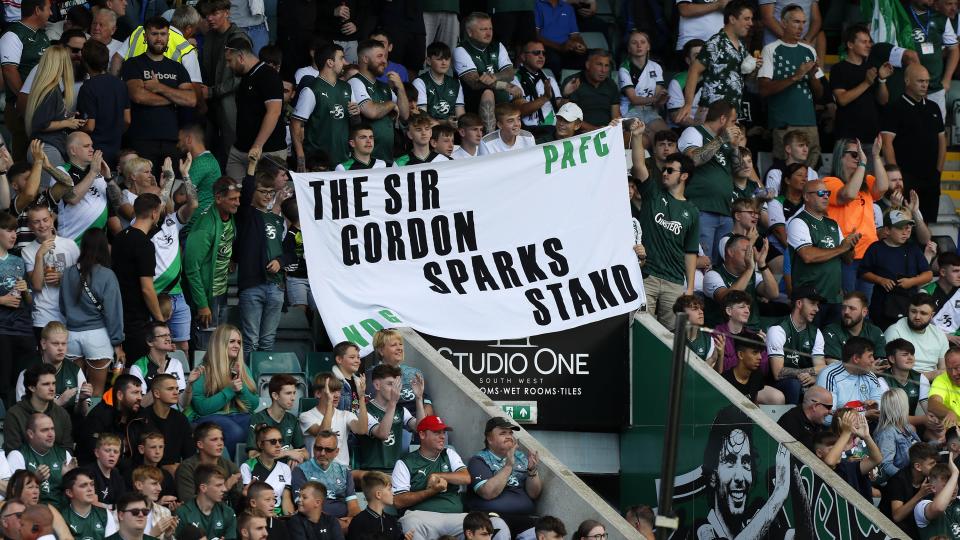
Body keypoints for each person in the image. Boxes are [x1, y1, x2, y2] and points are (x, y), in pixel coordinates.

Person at [629, 121, 699, 330]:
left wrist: (691, 288)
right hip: (646, 276)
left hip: (674, 282)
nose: (665, 173)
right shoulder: (653, 193)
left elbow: (690, 252)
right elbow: (639, 165)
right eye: (665, 169)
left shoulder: (692, 211)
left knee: (672, 337)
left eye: (671, 170)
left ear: (684, 176)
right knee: (641, 329)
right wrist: (637, 136)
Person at [393, 416, 509, 540]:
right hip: (422, 518)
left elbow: (466, 478)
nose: (442, 436)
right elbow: (398, 501)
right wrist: (431, 491)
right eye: (437, 432)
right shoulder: (405, 462)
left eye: (443, 432)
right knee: (409, 524)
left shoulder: (448, 454)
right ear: (422, 435)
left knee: (497, 524)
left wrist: (437, 475)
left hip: (455, 518)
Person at [697, 406, 790, 539]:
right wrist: (779, 493)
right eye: (730, 461)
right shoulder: (701, 530)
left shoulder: (757, 520)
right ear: (712, 476)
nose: (740, 477)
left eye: (746, 462)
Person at [120, 17, 196, 177]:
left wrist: (159, 87)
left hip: (172, 140)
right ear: (145, 37)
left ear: (168, 36)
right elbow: (138, 96)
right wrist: (174, 97)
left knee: (170, 189)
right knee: (143, 187)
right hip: (141, 138)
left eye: (163, 34)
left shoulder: (177, 67)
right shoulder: (133, 64)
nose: (159, 38)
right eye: (154, 34)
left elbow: (191, 99)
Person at [235, 156, 291, 354]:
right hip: (252, 285)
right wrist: (251, 166)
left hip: (276, 286)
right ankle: (250, 384)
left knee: (268, 342)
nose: (268, 196)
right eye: (263, 192)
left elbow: (288, 251)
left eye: (270, 192)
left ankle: (264, 384)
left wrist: (279, 261)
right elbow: (248, 190)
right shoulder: (246, 215)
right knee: (250, 342)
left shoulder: (276, 219)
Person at [757, 5, 824, 164]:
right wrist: (796, 76)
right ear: (783, 23)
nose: (801, 27)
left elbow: (820, 94)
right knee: (786, 173)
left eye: (803, 22)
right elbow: (763, 90)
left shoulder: (809, 50)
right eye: (796, 22)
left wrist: (812, 77)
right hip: (784, 124)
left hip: (809, 123)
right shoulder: (770, 50)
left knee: (810, 175)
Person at [787, 178, 860, 325]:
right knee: (809, 343)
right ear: (806, 196)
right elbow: (807, 255)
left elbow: (848, 259)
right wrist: (841, 248)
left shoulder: (832, 223)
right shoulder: (798, 222)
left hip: (834, 298)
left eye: (827, 192)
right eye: (821, 193)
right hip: (810, 299)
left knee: (831, 344)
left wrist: (850, 245)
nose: (826, 196)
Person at [881, 63, 946, 223]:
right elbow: (887, 143)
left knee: (929, 225)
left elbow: (942, 141)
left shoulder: (934, 107)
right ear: (907, 81)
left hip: (931, 179)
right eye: (920, 81)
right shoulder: (894, 108)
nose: (925, 85)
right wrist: (897, 177)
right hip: (907, 179)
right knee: (905, 224)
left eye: (927, 81)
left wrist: (938, 172)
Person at [678, 99, 741, 261]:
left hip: (725, 212)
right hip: (702, 209)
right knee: (703, 262)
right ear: (722, 119)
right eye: (733, 121)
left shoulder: (725, 142)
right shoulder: (695, 132)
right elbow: (694, 159)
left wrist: (735, 147)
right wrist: (720, 140)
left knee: (722, 264)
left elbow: (740, 172)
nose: (736, 126)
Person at [674, 1, 755, 125]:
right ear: (732, 19)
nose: (751, 23)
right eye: (746, 19)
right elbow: (694, 70)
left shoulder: (741, 46)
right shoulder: (715, 43)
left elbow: (743, 77)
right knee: (709, 145)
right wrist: (688, 104)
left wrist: (755, 68)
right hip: (711, 112)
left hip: (731, 112)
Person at [183, 176, 240, 348]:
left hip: (221, 289)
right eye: (232, 199)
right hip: (207, 294)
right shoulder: (205, 226)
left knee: (219, 342)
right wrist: (202, 304)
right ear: (218, 198)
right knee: (206, 344)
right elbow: (191, 268)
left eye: (238, 198)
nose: (237, 203)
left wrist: (228, 258)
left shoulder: (228, 215)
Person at [189, 324, 259, 457]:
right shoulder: (204, 369)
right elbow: (201, 408)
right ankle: (231, 470)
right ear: (219, 344)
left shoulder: (242, 367)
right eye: (231, 341)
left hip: (239, 415)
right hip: (209, 417)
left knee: (260, 428)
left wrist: (241, 389)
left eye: (239, 342)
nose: (237, 346)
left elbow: (254, 405)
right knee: (235, 432)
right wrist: (230, 390)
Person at [224, 38, 286, 183]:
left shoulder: (269, 76)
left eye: (229, 61)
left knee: (264, 198)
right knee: (234, 196)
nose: (228, 66)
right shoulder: (246, 78)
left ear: (240, 57)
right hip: (240, 150)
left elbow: (274, 112)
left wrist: (257, 146)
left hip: (267, 152)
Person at [465, 417, 541, 535]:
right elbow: (488, 493)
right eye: (503, 433)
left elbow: (534, 494)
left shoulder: (521, 457)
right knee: (502, 529)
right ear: (490, 439)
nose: (509, 436)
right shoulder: (479, 460)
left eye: (510, 433)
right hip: (491, 519)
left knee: (546, 533)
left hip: (524, 518)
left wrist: (532, 470)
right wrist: (508, 465)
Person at [112, 193, 164, 363]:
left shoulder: (119, 237)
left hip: (117, 312)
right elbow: (147, 288)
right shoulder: (145, 244)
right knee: (137, 370)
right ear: (154, 213)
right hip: (136, 319)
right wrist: (160, 320)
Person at [859, 208, 932, 329]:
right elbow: (863, 272)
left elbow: (928, 274)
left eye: (908, 228)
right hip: (882, 306)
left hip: (909, 305)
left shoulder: (913, 248)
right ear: (887, 230)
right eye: (900, 228)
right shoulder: (876, 248)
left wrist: (912, 282)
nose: (906, 232)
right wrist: (880, 280)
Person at [20, 196, 79, 340]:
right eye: (36, 222)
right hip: (43, 315)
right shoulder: (27, 250)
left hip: (71, 313)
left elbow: (83, 277)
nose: (42, 225)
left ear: (52, 219)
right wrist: (40, 255)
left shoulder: (69, 244)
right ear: (30, 226)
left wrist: (63, 278)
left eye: (45, 220)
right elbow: (37, 286)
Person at [0, 0, 51, 159]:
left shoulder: (42, 34)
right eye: (48, 9)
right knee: (22, 156)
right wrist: (27, 102)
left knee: (41, 154)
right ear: (38, 10)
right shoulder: (13, 34)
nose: (51, 13)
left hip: (42, 106)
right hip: (20, 109)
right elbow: (9, 71)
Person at [454, 12, 521, 133]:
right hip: (473, 102)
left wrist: (494, 76)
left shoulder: (497, 46)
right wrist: (504, 85)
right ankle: (489, 138)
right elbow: (474, 82)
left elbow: (510, 73)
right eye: (483, 29)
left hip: (502, 100)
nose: (489, 33)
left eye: (490, 28)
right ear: (469, 32)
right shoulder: (461, 50)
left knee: (519, 94)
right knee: (487, 93)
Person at [291, 43, 354, 171]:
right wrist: (301, 156)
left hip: (344, 159)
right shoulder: (312, 89)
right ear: (330, 62)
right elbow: (295, 124)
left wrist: (356, 114)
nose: (346, 62)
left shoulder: (346, 87)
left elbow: (354, 122)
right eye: (341, 58)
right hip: (318, 163)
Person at [348, 39, 409, 164]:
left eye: (385, 57)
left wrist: (401, 88)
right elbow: (371, 111)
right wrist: (392, 104)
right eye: (379, 56)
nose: (385, 61)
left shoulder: (384, 86)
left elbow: (405, 115)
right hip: (366, 160)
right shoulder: (355, 82)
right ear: (365, 59)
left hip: (386, 157)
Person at [23, 46, 79, 179]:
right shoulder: (51, 90)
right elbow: (43, 124)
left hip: (44, 149)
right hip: (48, 150)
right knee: (49, 195)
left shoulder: (46, 88)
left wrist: (68, 119)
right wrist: (66, 123)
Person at [830, 25, 892, 145]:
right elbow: (842, 99)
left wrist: (882, 80)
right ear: (850, 45)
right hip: (848, 137)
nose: (869, 45)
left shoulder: (872, 68)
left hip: (872, 136)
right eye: (864, 42)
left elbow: (883, 101)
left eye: (869, 42)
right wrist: (867, 83)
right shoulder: (838, 69)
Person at [355, 366, 424, 473]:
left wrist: (419, 398)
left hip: (397, 470)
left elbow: (420, 428)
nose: (395, 389)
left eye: (397, 385)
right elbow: (382, 434)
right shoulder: (364, 411)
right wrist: (393, 403)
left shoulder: (401, 410)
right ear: (377, 385)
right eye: (390, 384)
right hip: (373, 472)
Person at [13, 322, 91, 416]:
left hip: (69, 427)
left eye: (64, 343)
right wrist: (58, 403)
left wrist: (82, 400)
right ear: (43, 344)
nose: (60, 348)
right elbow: (23, 413)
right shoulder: (28, 371)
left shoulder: (75, 371)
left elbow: (82, 414)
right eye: (55, 344)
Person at [702, 233, 779, 327]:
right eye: (746, 250)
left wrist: (762, 264)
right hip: (724, 334)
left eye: (751, 251)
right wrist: (750, 269)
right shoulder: (712, 275)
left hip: (752, 330)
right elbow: (727, 300)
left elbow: (774, 294)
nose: (750, 255)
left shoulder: (752, 274)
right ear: (730, 252)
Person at [767, 286, 826, 404]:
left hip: (804, 381)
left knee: (821, 383)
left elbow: (822, 367)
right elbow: (778, 373)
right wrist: (804, 374)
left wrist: (812, 378)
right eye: (813, 304)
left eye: (817, 305)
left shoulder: (816, 333)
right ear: (799, 303)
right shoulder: (778, 330)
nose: (817, 309)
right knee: (794, 384)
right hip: (779, 384)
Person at [54, 133, 112, 244]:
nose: (92, 150)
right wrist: (93, 172)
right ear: (73, 151)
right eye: (86, 146)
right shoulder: (61, 170)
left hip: (98, 244)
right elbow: (72, 199)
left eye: (92, 146)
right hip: (72, 242)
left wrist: (109, 178)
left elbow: (117, 203)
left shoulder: (99, 172)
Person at [291, 430, 359, 525]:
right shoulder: (301, 471)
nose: (322, 453)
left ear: (336, 452)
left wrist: (352, 521)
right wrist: (336, 524)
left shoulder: (344, 471)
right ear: (313, 448)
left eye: (328, 450)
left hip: (344, 522)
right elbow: (305, 506)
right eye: (318, 448)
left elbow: (353, 505)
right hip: (316, 523)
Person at [300, 373, 368, 468]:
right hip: (318, 471)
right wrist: (329, 403)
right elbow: (324, 433)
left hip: (342, 471)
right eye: (331, 391)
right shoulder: (306, 416)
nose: (337, 395)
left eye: (338, 391)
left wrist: (361, 397)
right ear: (318, 393)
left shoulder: (346, 415)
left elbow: (363, 430)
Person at [815, 336, 887, 424]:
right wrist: (863, 415)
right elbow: (826, 417)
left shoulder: (870, 375)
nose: (873, 360)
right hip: (837, 433)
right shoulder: (830, 376)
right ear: (856, 358)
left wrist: (875, 405)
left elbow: (881, 405)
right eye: (870, 356)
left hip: (867, 429)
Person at [7, 413, 75, 506]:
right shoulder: (18, 455)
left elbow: (76, 491)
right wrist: (35, 479)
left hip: (63, 511)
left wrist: (67, 479)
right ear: (31, 434)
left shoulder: (63, 454)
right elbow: (13, 493)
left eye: (52, 429)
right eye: (44, 430)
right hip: (33, 512)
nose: (51, 434)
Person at [0, 212, 33, 403]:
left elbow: (28, 300)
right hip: (2, 330)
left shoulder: (18, 261)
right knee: (5, 382)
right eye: (9, 230)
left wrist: (25, 290)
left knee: (26, 379)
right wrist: (2, 300)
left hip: (23, 329)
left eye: (15, 230)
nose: (14, 235)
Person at [78, 374, 144, 466]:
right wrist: (123, 446)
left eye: (141, 393)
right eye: (135, 393)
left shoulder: (141, 416)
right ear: (120, 395)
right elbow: (93, 451)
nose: (140, 397)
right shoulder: (99, 414)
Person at [4, 365, 73, 453]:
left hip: (57, 465)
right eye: (46, 384)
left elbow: (67, 449)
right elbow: (12, 452)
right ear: (32, 387)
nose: (52, 388)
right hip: (25, 465)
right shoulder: (14, 414)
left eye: (53, 383)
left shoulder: (62, 414)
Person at [365, 329, 433, 417]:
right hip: (392, 424)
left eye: (400, 344)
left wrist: (426, 423)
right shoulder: (371, 375)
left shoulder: (414, 372)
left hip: (418, 423)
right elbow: (375, 406)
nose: (399, 348)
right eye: (393, 345)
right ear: (381, 351)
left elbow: (426, 400)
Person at [814, 413, 882, 500]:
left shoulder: (847, 466)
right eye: (833, 449)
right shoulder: (815, 469)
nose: (840, 451)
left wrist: (866, 436)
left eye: (839, 447)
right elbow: (829, 462)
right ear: (819, 453)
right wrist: (846, 432)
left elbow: (876, 459)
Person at [879, 441, 938, 539]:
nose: (935, 466)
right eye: (931, 464)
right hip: (893, 532)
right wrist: (920, 494)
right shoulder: (898, 480)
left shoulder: (929, 477)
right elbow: (897, 516)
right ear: (918, 467)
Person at [140, 374, 196, 473]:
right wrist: (164, 467)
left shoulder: (181, 419)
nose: (176, 392)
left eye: (177, 389)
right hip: (147, 472)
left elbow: (190, 455)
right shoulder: (142, 418)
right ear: (156, 393)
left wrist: (181, 469)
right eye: (170, 389)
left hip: (176, 471)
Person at [129, 322, 193, 408]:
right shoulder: (138, 367)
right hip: (150, 417)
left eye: (169, 335)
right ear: (150, 342)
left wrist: (190, 384)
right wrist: (159, 381)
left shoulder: (176, 363)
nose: (168, 339)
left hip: (173, 415)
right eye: (162, 336)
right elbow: (141, 405)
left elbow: (183, 404)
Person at [174, 423, 242, 503]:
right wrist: (225, 488)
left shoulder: (231, 467)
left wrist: (246, 496)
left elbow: (238, 503)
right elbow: (188, 502)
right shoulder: (187, 468)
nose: (220, 443)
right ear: (200, 444)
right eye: (214, 439)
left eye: (221, 439)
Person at [618, 31, 667, 143]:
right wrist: (656, 99)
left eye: (643, 42)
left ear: (648, 46)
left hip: (651, 111)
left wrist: (662, 100)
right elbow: (634, 99)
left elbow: (657, 101)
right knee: (649, 138)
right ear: (629, 48)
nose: (639, 46)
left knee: (666, 136)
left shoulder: (656, 67)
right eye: (634, 43)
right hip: (630, 111)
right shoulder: (624, 68)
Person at [246, 374, 307, 462]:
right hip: (264, 471)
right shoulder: (258, 418)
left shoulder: (292, 419)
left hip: (285, 471)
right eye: (288, 393)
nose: (293, 398)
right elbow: (252, 455)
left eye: (294, 393)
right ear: (275, 396)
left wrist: (295, 459)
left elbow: (305, 453)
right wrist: (286, 453)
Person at [885, 293, 949, 376]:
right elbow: (888, 368)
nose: (917, 317)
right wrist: (928, 376)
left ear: (932, 315)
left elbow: (943, 368)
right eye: (913, 311)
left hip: (935, 383)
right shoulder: (894, 331)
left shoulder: (939, 334)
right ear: (908, 311)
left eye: (923, 313)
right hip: (905, 382)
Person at [509, 39, 560, 141]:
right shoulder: (514, 79)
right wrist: (545, 98)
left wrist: (569, 95)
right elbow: (520, 110)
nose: (541, 56)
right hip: (530, 132)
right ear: (523, 56)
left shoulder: (550, 79)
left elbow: (560, 107)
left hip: (554, 130)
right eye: (536, 53)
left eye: (543, 53)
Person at [560, 49, 620, 132]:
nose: (603, 70)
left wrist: (611, 130)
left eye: (606, 66)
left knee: (642, 138)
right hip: (581, 133)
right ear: (588, 65)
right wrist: (596, 130)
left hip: (608, 132)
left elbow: (616, 116)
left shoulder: (611, 84)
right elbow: (568, 115)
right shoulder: (573, 82)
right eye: (599, 64)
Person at [241, 425, 294, 516]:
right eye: (273, 441)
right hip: (258, 516)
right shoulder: (247, 466)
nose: (278, 445)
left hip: (279, 518)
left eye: (280, 441)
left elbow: (286, 499)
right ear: (260, 444)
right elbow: (249, 502)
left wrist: (290, 517)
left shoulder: (285, 468)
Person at [822, 291, 888, 364]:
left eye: (852, 308)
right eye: (843, 308)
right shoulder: (831, 330)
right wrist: (866, 369)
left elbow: (881, 362)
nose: (846, 312)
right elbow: (832, 363)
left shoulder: (875, 332)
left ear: (864, 312)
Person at [175, 464, 237, 539]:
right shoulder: (183, 514)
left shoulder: (227, 513)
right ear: (203, 488)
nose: (224, 489)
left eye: (223, 484)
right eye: (219, 485)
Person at [875, 388, 922, 484]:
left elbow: (922, 451)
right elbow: (886, 465)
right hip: (902, 484)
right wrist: (908, 480)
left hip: (918, 475)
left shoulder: (907, 426)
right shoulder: (887, 433)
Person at [346, 471, 405, 540]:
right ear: (378, 495)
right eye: (389, 489)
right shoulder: (359, 522)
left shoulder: (392, 521)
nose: (393, 492)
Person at [916, 459, 960, 537]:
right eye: (947, 485)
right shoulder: (921, 506)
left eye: (954, 483)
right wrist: (955, 473)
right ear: (933, 488)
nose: (954, 488)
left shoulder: (958, 500)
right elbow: (939, 507)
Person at [130, 466, 177, 539]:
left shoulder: (165, 512)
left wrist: (168, 536)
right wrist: (152, 535)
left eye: (159, 484)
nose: (160, 489)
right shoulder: (125, 513)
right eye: (154, 484)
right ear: (139, 485)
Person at [721, 332, 767, 403]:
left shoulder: (758, 374)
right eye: (755, 353)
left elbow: (754, 403)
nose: (760, 357)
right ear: (740, 355)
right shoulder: (725, 380)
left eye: (760, 353)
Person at [86, 433, 127, 507]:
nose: (112, 455)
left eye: (116, 452)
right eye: (107, 451)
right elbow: (93, 504)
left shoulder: (117, 475)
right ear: (97, 453)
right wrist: (112, 507)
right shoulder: (87, 473)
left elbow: (122, 504)